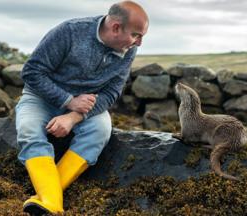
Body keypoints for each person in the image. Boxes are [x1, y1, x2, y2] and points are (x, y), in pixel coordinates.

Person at [15, 1, 148, 214]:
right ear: (115, 28)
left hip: (85, 107)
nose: (139, 43)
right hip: (40, 98)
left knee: (100, 130)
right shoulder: (69, 32)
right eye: (136, 35)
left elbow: (111, 93)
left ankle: (48, 199)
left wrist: (73, 116)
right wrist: (68, 100)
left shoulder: (127, 49)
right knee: (29, 130)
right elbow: (31, 72)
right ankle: (53, 201)